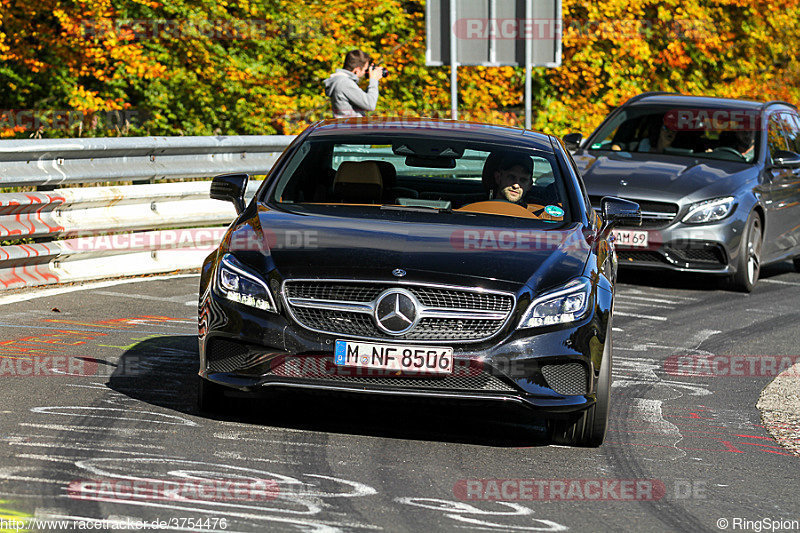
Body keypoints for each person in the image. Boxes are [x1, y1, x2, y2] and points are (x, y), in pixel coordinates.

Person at [323, 50, 385, 118]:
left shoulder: (340, 81)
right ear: (357, 70)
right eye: (365, 70)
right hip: (350, 126)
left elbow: (363, 101)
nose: (365, 72)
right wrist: (374, 80)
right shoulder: (344, 83)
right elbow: (370, 104)